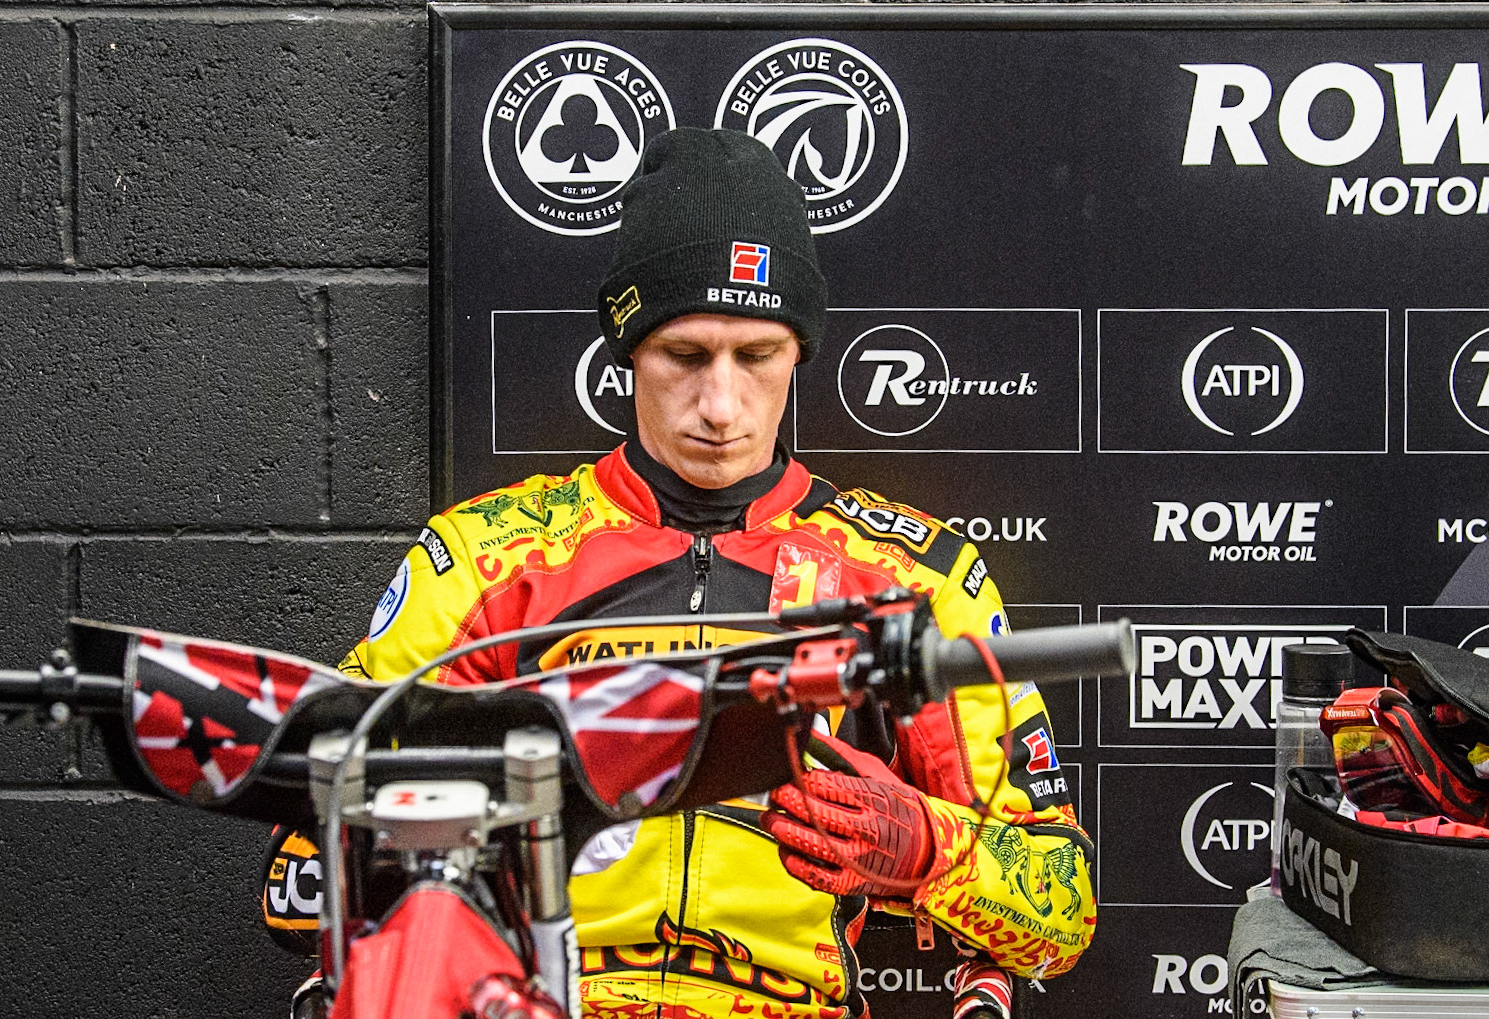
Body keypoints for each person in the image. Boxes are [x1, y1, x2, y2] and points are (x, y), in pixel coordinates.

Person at [297, 128, 1094, 1018]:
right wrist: (484, 822)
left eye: (756, 357)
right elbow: (297, 874)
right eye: (684, 355)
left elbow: (1062, 913)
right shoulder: (487, 556)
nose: (720, 405)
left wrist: (924, 847)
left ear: (799, 352)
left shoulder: (913, 576)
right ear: (628, 348)